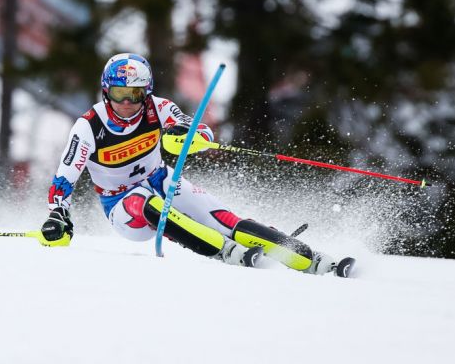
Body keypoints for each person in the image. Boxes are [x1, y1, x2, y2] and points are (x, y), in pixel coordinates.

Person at [40, 52, 349, 276]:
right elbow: (65, 177)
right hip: (122, 206)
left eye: (135, 95)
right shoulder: (90, 125)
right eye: (120, 94)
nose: (126, 103)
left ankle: (309, 258)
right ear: (107, 91)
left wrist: (185, 134)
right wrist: (58, 214)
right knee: (142, 200)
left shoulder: (158, 108)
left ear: (145, 93)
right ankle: (224, 252)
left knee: (225, 220)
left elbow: (201, 130)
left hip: (162, 180)